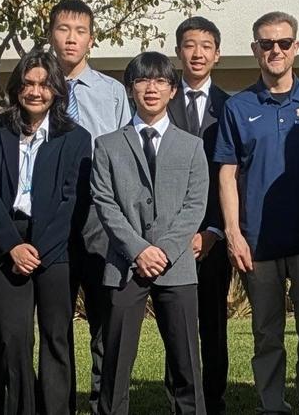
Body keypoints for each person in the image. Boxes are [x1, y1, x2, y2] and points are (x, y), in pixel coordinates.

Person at [215, 11, 299, 415]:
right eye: (267, 44)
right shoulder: (238, 106)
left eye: (284, 43)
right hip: (258, 243)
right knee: (266, 333)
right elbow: (227, 173)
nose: (276, 51)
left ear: (296, 47)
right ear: (255, 49)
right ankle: (272, 405)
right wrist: (233, 233)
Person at [0, 49, 92, 415]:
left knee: (56, 338)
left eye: (44, 84)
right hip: (5, 241)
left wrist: (39, 249)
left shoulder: (76, 137)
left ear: (56, 90)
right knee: (14, 340)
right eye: (28, 84)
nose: (35, 91)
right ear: (16, 88)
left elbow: (73, 200)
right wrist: (12, 246)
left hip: (54, 246)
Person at [91, 52, 211, 415]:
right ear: (130, 89)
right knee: (115, 362)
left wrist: (165, 250)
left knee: (186, 363)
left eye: (160, 81)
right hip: (125, 265)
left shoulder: (192, 145)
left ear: (173, 90)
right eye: (143, 80)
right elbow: (104, 201)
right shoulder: (108, 145)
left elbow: (195, 204)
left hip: (176, 266)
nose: (151, 88)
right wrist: (138, 250)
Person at [48, 0, 131, 412]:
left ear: (91, 40)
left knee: (104, 314)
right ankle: (58, 403)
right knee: (55, 319)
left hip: (100, 212)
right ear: (50, 35)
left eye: (80, 31)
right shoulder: (36, 87)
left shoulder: (113, 92)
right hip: (51, 215)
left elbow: (125, 156)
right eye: (64, 29)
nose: (71, 38)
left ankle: (104, 403)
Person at [168, 16, 233, 415]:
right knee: (175, 324)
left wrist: (213, 230)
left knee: (213, 322)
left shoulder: (231, 106)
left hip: (214, 234)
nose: (197, 53)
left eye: (206, 46)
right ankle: (180, 398)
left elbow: (231, 176)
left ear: (217, 54)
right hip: (168, 234)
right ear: (178, 51)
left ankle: (214, 398)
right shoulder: (160, 100)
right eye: (190, 45)